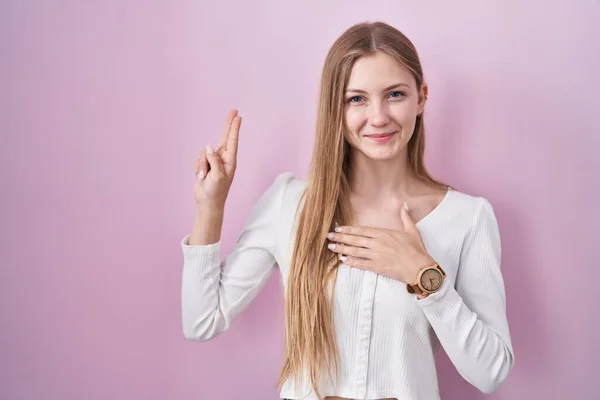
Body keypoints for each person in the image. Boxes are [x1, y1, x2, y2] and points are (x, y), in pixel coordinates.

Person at [180, 21, 514, 400]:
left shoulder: (468, 219)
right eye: (356, 99)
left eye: (395, 94)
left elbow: (492, 372)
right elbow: (202, 320)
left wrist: (423, 275)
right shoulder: (290, 203)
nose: (378, 117)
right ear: (334, 108)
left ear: (421, 97)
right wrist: (211, 206)